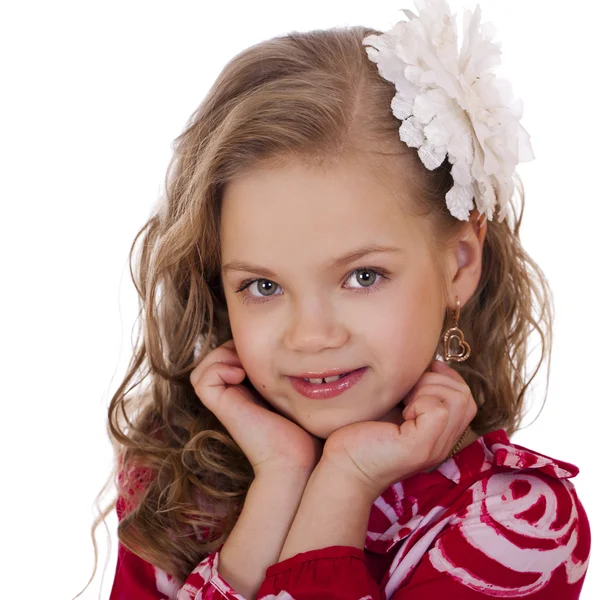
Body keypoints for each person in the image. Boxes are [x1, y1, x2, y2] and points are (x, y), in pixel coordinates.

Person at [81, 1, 591, 598]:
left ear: (459, 264)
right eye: (263, 286)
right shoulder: (173, 481)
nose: (311, 335)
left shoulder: (515, 522)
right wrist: (279, 478)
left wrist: (342, 486)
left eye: (363, 277)